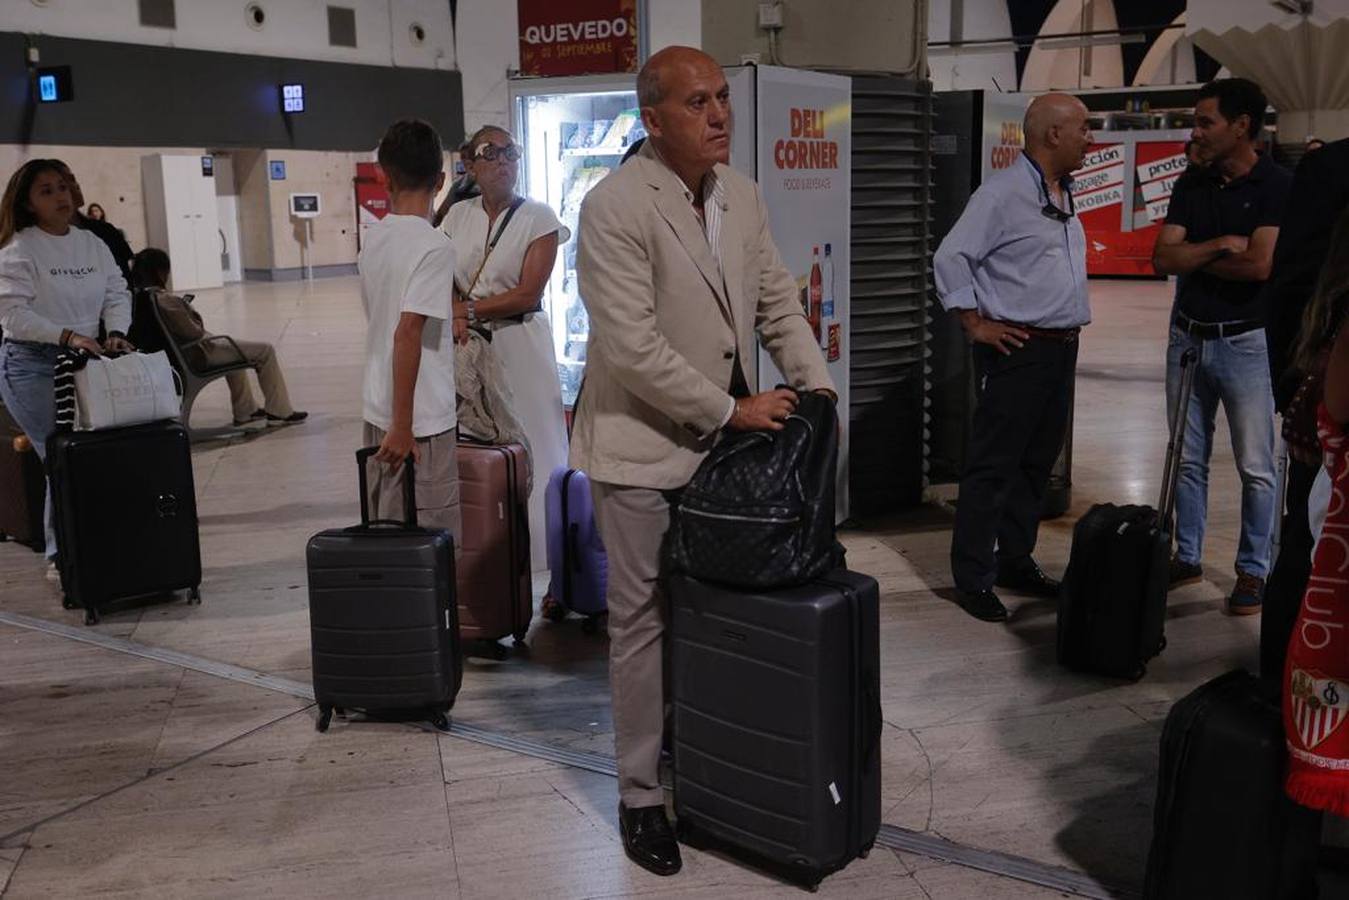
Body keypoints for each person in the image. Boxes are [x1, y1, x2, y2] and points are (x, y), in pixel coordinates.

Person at [571, 46, 834, 877]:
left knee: (718, 615)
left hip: (728, 452)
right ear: (652, 120)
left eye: (721, 97)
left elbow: (774, 303)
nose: (718, 113)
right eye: (696, 102)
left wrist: (816, 391)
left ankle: (712, 761)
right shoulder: (613, 206)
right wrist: (732, 409)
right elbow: (632, 346)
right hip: (640, 448)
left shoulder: (742, 196)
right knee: (641, 623)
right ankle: (641, 795)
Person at [933, 93, 1093, 623]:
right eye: (1083, 129)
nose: (1090, 138)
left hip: (1060, 350)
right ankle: (973, 576)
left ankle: (1015, 559)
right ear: (1053, 134)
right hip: (1019, 350)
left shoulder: (1063, 192)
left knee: (1033, 466)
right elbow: (951, 255)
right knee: (993, 468)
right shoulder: (1001, 195)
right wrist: (973, 322)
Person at [1152, 78, 1292, 616]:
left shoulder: (1279, 185)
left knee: (1257, 466)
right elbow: (1163, 260)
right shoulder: (1192, 183)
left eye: (1205, 121)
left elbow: (1259, 265)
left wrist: (1195, 253)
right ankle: (1187, 556)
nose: (1196, 131)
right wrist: (1217, 246)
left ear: (1241, 126)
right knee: (1187, 457)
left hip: (1245, 345)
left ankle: (1254, 571)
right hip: (1186, 338)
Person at [441, 125, 569, 571]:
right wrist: (456, 311)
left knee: (537, 439)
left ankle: (546, 552)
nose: (502, 161)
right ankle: (494, 551)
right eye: (489, 153)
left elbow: (526, 294)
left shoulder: (539, 217)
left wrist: (464, 311)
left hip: (521, 343)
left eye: (510, 152)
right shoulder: (457, 216)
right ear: (469, 166)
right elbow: (440, 274)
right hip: (474, 348)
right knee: (484, 443)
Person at [0, 159, 133, 577]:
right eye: (46, 191)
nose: (60, 196)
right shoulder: (18, 247)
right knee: (62, 455)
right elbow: (12, 316)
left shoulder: (92, 243)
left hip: (88, 360)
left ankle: (95, 540)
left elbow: (116, 291)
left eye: (63, 186)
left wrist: (115, 331)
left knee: (89, 456)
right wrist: (67, 336)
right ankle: (62, 556)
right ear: (27, 203)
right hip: (31, 365)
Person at [1259, 136, 1349, 678]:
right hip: (1331, 408)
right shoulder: (1331, 168)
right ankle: (1279, 686)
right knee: (1307, 545)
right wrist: (1299, 398)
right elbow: (1291, 286)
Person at [359, 119, 462, 546]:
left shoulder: (373, 239)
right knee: (431, 544)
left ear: (383, 176)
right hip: (419, 421)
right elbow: (407, 333)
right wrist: (403, 425)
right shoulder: (434, 245)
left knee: (386, 530)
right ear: (440, 180)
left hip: (376, 407)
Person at [129, 248, 306, 428]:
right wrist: (189, 311)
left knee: (234, 352)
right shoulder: (165, 300)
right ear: (160, 272)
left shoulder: (139, 298)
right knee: (265, 351)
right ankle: (280, 412)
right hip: (197, 354)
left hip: (182, 355)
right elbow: (195, 332)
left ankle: (246, 410)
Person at [51, 162, 134, 284]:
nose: (76, 185)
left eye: (73, 179)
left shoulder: (105, 231)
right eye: (63, 184)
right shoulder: (36, 244)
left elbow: (124, 282)